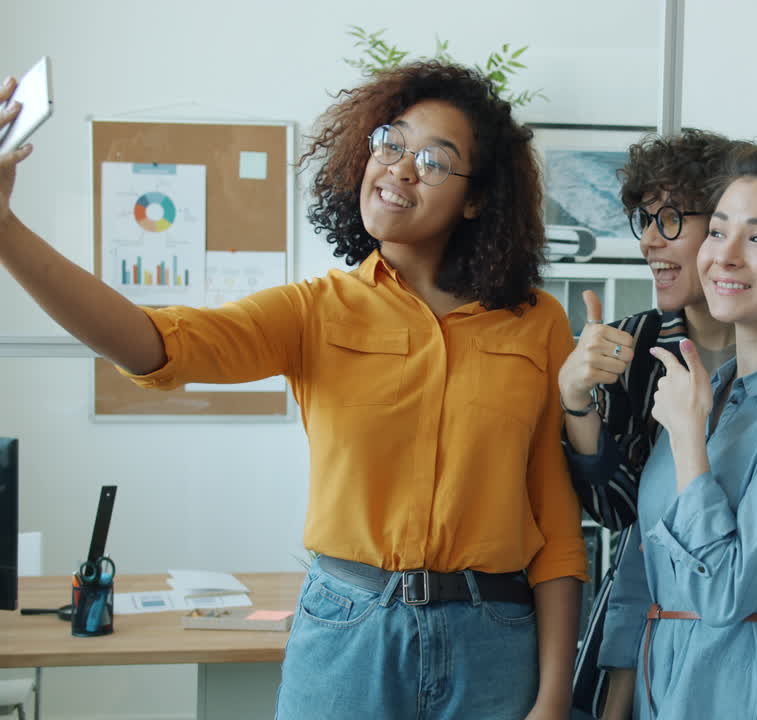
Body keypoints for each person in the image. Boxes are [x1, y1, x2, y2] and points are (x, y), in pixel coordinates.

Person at [0, 62, 586, 720]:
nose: (399, 168)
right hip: (349, 633)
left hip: (493, 641)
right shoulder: (317, 311)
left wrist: (553, 697)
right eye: (391, 143)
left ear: (477, 199)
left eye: (433, 160)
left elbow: (555, 520)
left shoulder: (536, 323)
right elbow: (152, 344)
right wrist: (5, 231)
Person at [557, 132, 757, 718]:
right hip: (663, 680)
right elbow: (642, 553)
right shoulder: (707, 388)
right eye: (720, 232)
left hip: (753, 684)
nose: (724, 255)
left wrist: (686, 440)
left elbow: (725, 590)